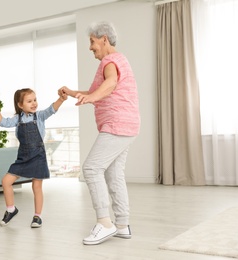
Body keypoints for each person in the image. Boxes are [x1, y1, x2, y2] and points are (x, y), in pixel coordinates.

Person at [58, 21, 140, 245]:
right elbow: (98, 90)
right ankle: (122, 225)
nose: (90, 47)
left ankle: (104, 223)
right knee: (114, 174)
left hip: (117, 123)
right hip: (127, 125)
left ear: (104, 39)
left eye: (92, 42)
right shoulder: (119, 59)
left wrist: (92, 98)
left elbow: (111, 83)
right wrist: (74, 93)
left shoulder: (110, 60)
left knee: (92, 168)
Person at [0, 88, 67, 228]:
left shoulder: (40, 116)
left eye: (35, 100)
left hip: (38, 155)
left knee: (36, 186)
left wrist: (61, 99)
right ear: (20, 105)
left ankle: (37, 217)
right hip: (23, 156)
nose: (34, 103)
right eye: (29, 101)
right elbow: (1, 122)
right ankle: (11, 210)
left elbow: (51, 109)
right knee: (6, 181)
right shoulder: (17, 119)